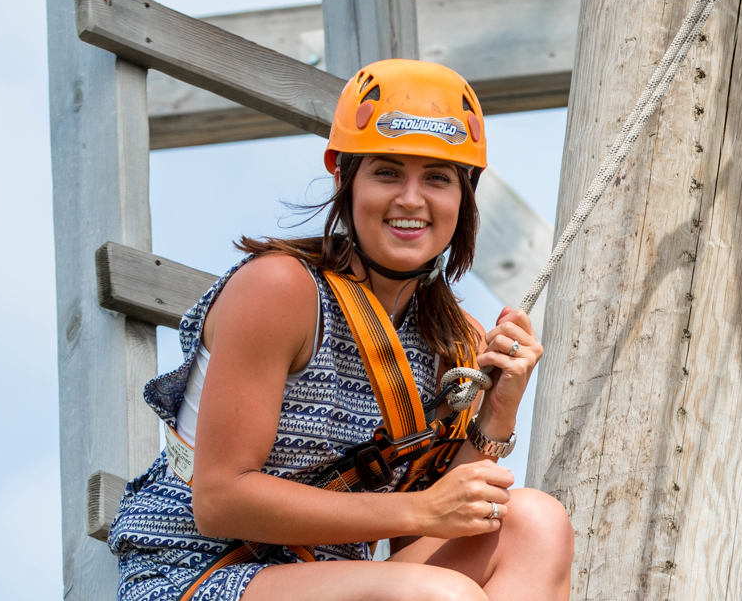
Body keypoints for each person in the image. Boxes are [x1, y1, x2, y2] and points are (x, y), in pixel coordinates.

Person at [107, 59, 572, 601]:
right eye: (387, 171)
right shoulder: (281, 290)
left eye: (438, 178)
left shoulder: (455, 340)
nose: (411, 199)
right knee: (439, 598)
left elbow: (423, 532)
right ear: (343, 176)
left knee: (537, 524)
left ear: (466, 193)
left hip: (341, 579)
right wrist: (418, 507)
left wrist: (498, 412)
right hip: (199, 571)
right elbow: (220, 501)